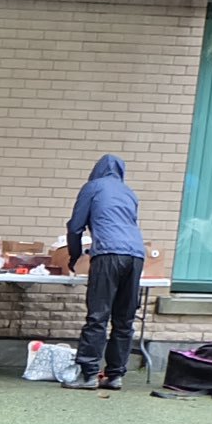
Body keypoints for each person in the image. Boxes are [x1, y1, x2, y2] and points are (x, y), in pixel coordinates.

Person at [63, 154, 146, 391]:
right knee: (124, 318)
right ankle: (115, 375)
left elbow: (76, 226)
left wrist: (75, 256)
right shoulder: (129, 192)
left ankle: (88, 375)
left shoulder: (92, 187)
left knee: (98, 315)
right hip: (136, 255)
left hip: (108, 254)